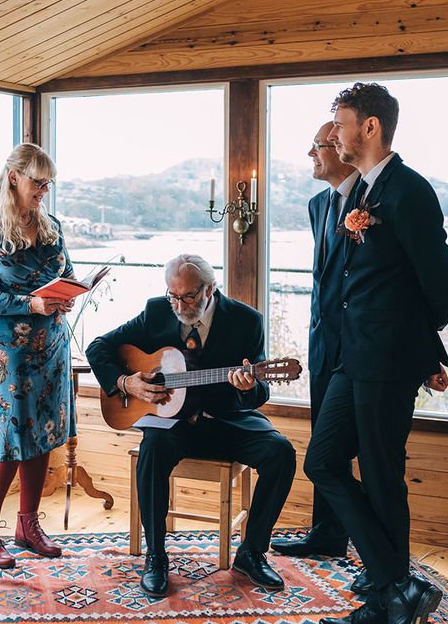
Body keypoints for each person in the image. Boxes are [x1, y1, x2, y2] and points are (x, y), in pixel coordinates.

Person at [303, 83, 448, 624]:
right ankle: (396, 584)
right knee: (322, 461)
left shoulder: (409, 191)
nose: (334, 133)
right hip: (351, 358)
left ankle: (383, 599)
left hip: (387, 360)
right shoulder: (360, 194)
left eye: (340, 123)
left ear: (370, 128)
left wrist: (417, 350)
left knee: (383, 477)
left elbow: (443, 289)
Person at [86, 254, 296, 597]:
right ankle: (156, 556)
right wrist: (127, 384)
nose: (179, 305)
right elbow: (99, 347)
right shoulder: (156, 311)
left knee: (281, 453)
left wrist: (248, 386)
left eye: (188, 297)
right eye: (173, 295)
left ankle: (252, 552)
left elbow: (262, 390)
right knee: (152, 449)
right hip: (174, 425)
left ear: (210, 289)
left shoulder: (246, 321)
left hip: (226, 421)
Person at [270, 123, 371, 590]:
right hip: (322, 344)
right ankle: (327, 535)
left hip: (363, 351)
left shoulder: (370, 203)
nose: (308, 152)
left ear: (340, 151)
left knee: (364, 453)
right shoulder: (318, 206)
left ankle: (376, 552)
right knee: (323, 443)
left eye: (317, 146)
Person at [0, 142, 74, 569]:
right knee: (6, 440)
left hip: (52, 349)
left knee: (43, 433)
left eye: (48, 182)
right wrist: (30, 303)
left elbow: (66, 274)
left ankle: (27, 526)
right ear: (14, 177)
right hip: (8, 355)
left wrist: (68, 294)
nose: (44, 189)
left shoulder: (53, 226)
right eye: (37, 181)